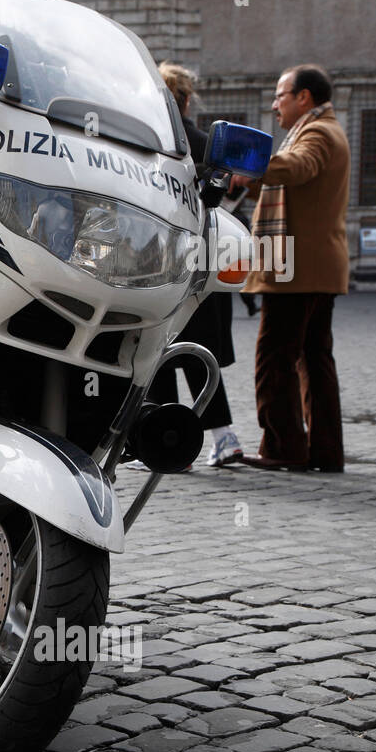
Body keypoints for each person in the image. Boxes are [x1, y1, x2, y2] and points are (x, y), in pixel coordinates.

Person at [236, 64, 351, 472]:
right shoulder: (323, 128)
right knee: (314, 358)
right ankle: (324, 451)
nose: (274, 103)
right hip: (316, 266)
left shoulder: (317, 132)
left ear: (304, 97)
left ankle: (284, 447)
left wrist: (248, 166)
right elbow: (294, 178)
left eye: (280, 95)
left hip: (296, 268)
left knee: (275, 357)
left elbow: (297, 167)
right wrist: (247, 180)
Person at [143, 62, 244, 468]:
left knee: (157, 350)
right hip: (206, 258)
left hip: (167, 261)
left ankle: (168, 443)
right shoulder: (206, 143)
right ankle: (222, 437)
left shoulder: (159, 142)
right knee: (197, 352)